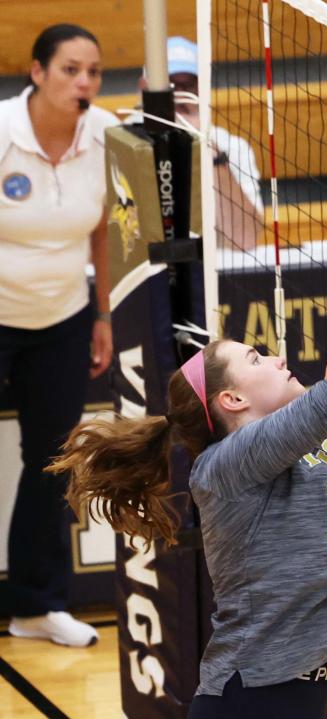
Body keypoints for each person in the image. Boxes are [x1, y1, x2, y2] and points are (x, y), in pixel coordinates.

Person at [49, 116, 327, 717]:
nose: (276, 357)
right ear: (231, 401)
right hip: (252, 700)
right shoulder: (229, 464)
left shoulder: (304, 434)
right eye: (254, 357)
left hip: (294, 693)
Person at [0, 23, 119, 648]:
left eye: (94, 71)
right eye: (72, 69)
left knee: (52, 463)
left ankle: (35, 607)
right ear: (37, 72)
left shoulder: (104, 134)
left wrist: (100, 314)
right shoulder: (2, 132)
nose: (85, 82)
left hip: (63, 321)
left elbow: (101, 230)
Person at [132, 36, 265, 250]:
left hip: (214, 275)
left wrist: (211, 156)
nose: (180, 96)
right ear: (145, 88)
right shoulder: (119, 143)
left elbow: (244, 240)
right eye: (170, 85)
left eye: (189, 85)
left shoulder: (230, 147)